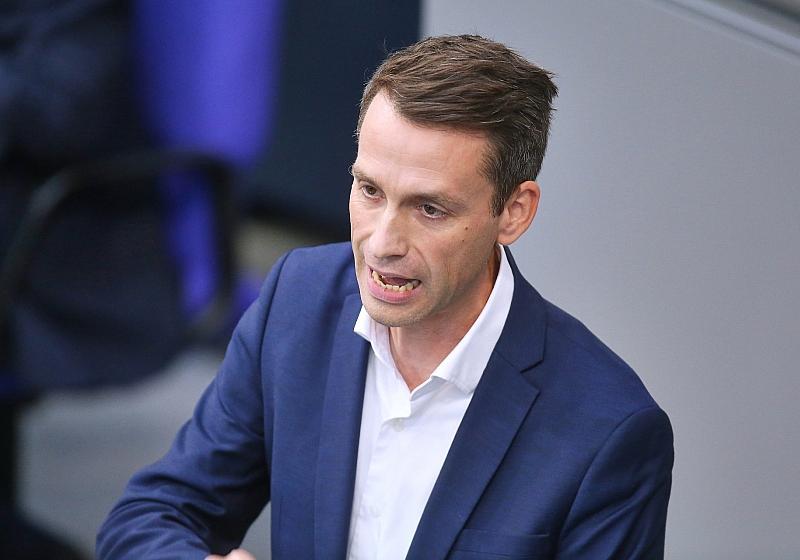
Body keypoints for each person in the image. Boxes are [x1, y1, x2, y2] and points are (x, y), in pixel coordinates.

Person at [97, 35, 673, 559]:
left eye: (430, 208)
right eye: (370, 190)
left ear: (514, 212)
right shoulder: (298, 301)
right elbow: (150, 517)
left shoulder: (607, 431)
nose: (382, 243)